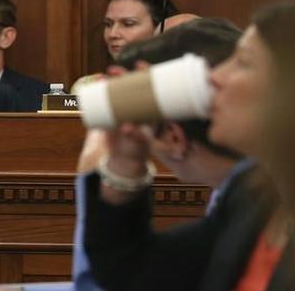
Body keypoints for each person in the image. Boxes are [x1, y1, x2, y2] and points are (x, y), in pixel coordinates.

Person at [0, 8, 295, 291]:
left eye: (243, 63)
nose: (215, 78)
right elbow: (128, 275)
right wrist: (123, 168)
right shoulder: (254, 198)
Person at [71, 17, 245, 291]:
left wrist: (100, 165)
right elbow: (133, 272)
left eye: (247, 63)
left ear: (173, 137)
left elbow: (118, 278)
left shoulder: (262, 208)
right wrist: (123, 167)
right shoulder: (247, 198)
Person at [71, 0, 177, 95]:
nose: (113, 34)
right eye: (108, 24)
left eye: (128, 24)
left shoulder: (178, 86)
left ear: (160, 27)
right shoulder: (88, 87)